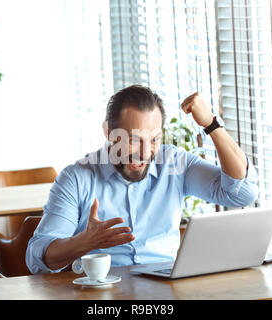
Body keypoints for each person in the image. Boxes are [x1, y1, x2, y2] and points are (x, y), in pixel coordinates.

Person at [26, 85, 258, 274]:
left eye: (154, 140)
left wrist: (211, 124)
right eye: (134, 140)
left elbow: (240, 193)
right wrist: (85, 242)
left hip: (167, 291)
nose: (145, 153)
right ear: (109, 133)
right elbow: (37, 257)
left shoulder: (175, 163)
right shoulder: (77, 178)